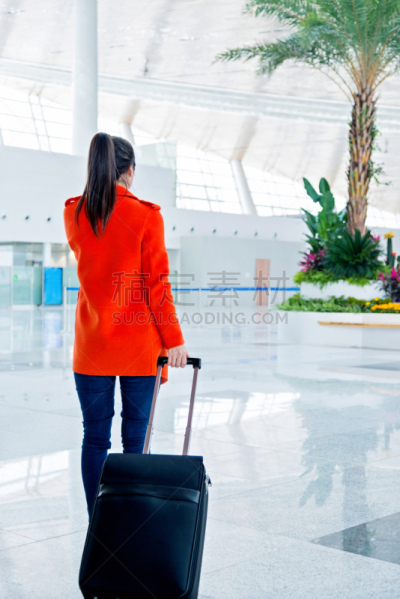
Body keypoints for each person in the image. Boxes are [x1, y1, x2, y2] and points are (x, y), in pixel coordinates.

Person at [63, 132, 188, 516]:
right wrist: (175, 339)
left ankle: (98, 525)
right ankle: (130, 526)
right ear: (129, 170)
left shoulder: (75, 213)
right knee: (135, 441)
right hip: (139, 347)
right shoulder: (146, 216)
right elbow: (157, 286)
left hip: (92, 346)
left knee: (94, 438)